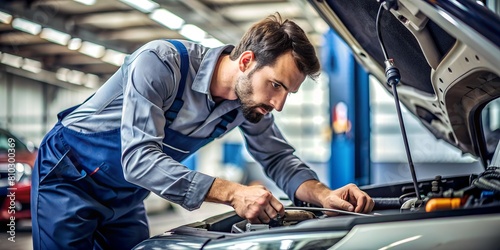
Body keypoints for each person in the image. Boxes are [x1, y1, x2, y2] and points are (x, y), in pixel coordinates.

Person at [31, 12, 374, 249]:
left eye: (288, 93)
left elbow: (278, 158)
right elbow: (138, 159)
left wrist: (323, 195)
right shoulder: (161, 63)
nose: (279, 104)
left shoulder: (247, 105)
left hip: (127, 193)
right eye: (276, 85)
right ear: (246, 62)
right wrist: (233, 192)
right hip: (69, 176)